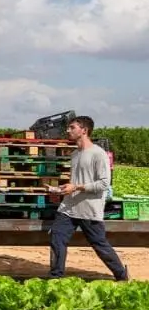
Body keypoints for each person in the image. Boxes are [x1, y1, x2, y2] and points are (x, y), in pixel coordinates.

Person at [49, 116, 128, 281]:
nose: (68, 130)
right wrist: (63, 189)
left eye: (72, 127)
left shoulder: (98, 154)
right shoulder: (75, 154)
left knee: (99, 244)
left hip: (89, 209)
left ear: (84, 130)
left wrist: (76, 187)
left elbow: (104, 184)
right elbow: (76, 181)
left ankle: (121, 275)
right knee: (57, 236)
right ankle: (56, 278)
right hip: (69, 207)